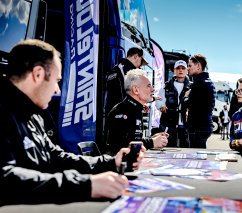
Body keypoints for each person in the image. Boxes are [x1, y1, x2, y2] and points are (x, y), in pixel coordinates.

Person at [0, 39, 145, 205]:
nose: (57, 90)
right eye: (56, 80)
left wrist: (111, 162)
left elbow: (56, 157)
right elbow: (5, 180)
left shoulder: (33, 114)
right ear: (38, 74)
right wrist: (85, 185)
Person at [105, 69, 168, 155]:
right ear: (136, 90)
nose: (153, 90)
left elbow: (133, 140)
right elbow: (121, 147)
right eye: (149, 86)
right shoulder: (122, 111)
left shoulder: (133, 108)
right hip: (119, 166)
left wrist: (152, 138)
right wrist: (151, 142)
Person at [156, 60, 191, 147]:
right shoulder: (166, 85)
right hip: (169, 122)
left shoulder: (192, 86)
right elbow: (159, 99)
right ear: (174, 70)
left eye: (183, 68)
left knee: (186, 148)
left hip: (186, 123)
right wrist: (161, 105)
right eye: (178, 68)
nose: (180, 70)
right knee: (168, 147)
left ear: (187, 70)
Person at [105, 47, 148, 115]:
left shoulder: (115, 69)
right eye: (141, 61)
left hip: (111, 112)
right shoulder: (131, 71)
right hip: (125, 114)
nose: (140, 66)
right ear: (136, 56)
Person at [185, 54, 215, 148]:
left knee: (196, 157)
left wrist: (186, 97)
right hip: (204, 126)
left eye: (190, 65)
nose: (187, 68)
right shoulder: (208, 81)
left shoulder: (199, 83)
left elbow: (192, 105)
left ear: (198, 66)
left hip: (197, 128)